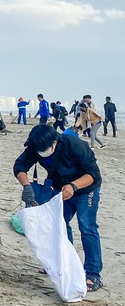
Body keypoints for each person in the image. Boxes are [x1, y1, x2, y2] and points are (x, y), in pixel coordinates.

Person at [13, 124, 104, 292]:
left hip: (86, 189)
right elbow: (19, 166)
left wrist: (74, 186)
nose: (41, 152)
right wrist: (27, 186)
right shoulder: (36, 146)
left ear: (54, 142)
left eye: (44, 149)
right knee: (59, 224)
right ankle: (65, 263)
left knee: (87, 227)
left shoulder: (75, 146)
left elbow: (93, 174)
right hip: (62, 189)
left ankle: (93, 274)